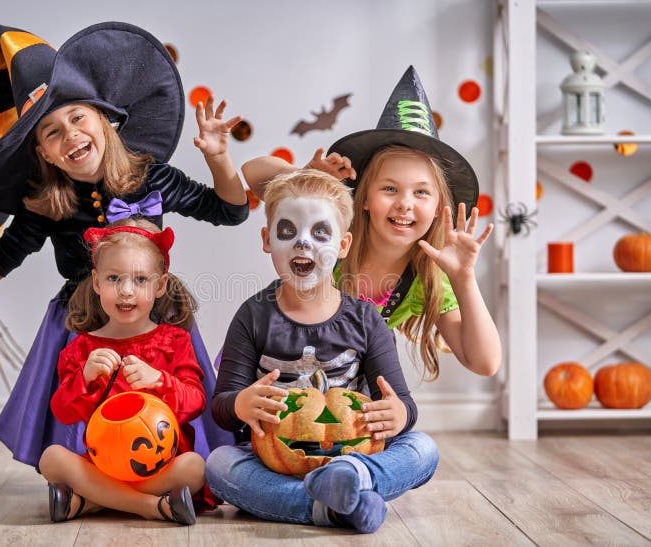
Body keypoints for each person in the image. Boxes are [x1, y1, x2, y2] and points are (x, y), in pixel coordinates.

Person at [0, 22, 244, 469]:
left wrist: (219, 158)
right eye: (50, 132)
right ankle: (88, 482)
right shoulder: (45, 204)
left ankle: (160, 481)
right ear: (43, 153)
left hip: (154, 316)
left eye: (77, 117)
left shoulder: (152, 176)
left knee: (163, 420)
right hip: (83, 324)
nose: (69, 135)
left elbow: (230, 210)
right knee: (83, 430)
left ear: (104, 121)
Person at [206, 170, 438, 534]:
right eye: (287, 232)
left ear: (343, 246)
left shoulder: (366, 320)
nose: (302, 244)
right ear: (267, 240)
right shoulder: (253, 316)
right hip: (271, 459)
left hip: (353, 452)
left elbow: (402, 404)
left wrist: (398, 414)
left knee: (423, 449)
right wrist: (240, 404)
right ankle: (334, 506)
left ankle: (352, 478)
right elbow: (222, 409)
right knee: (219, 464)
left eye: (319, 233)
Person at [241, 66, 501, 380]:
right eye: (390, 189)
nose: (405, 203)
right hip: (281, 372)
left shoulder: (425, 278)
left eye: (421, 192)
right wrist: (304, 178)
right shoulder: (335, 235)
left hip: (348, 389)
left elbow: (485, 362)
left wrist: (463, 278)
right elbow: (252, 173)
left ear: (437, 209)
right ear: (363, 198)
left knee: (417, 434)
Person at [41, 218, 203, 524]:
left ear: (160, 285)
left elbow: (196, 402)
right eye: (114, 278)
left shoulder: (174, 341)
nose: (126, 291)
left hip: (159, 461)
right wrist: (85, 377)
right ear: (97, 282)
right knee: (51, 458)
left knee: (194, 468)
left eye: (140, 280)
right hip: (103, 462)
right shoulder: (83, 349)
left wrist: (159, 380)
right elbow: (61, 412)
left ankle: (90, 501)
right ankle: (150, 506)